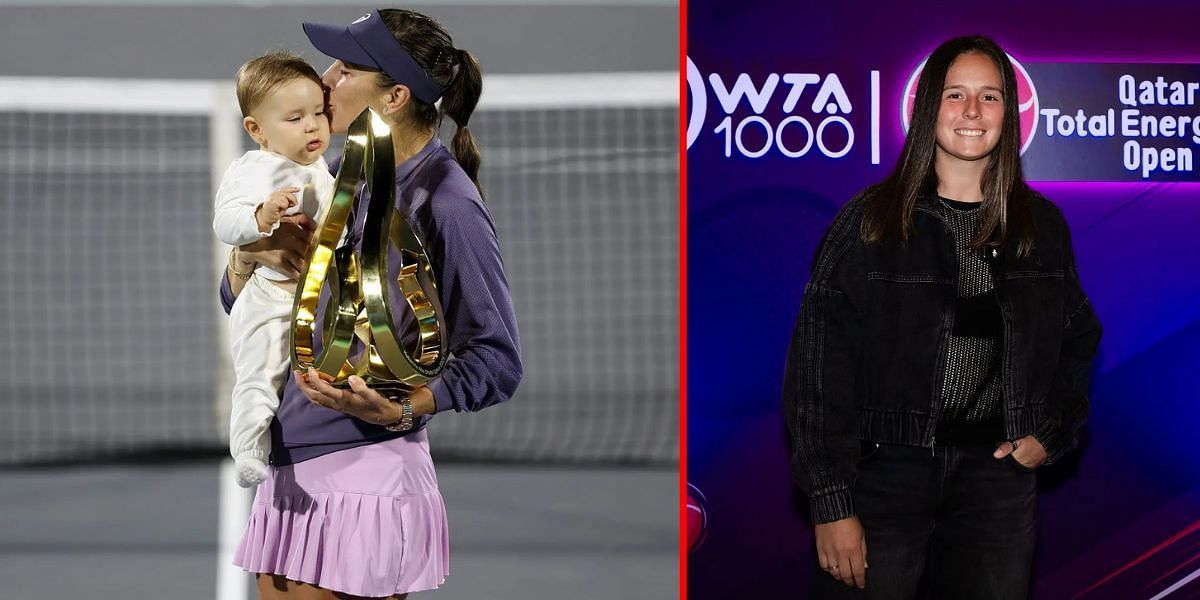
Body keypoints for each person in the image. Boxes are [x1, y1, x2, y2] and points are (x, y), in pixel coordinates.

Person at [782, 35, 1102, 599]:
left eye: (990, 96)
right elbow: (818, 364)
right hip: (883, 477)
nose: (973, 112)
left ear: (1011, 112)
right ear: (928, 106)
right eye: (956, 95)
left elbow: (1078, 339)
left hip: (996, 487)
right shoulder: (871, 222)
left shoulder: (1040, 228)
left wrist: (1050, 432)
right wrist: (831, 500)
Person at [220, 8, 522, 599]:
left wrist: (404, 408)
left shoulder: (447, 202)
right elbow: (244, 303)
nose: (325, 78)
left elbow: (496, 359)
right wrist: (249, 258)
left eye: (348, 67)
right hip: (297, 455)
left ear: (394, 96)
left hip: (363, 471)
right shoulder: (339, 177)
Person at [214, 51, 336, 488]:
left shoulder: (320, 167)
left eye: (319, 113)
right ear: (256, 130)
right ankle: (248, 449)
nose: (312, 126)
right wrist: (261, 219)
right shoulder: (253, 170)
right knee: (261, 371)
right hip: (269, 298)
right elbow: (225, 221)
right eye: (295, 118)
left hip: (316, 300)